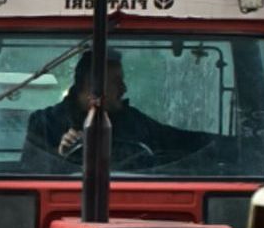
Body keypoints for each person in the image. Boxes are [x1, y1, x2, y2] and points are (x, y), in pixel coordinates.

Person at [21, 50, 216, 169]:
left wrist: (232, 145)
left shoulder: (135, 122)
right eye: (116, 82)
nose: (124, 88)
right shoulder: (44, 123)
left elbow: (180, 141)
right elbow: (28, 175)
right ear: (92, 87)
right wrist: (59, 154)